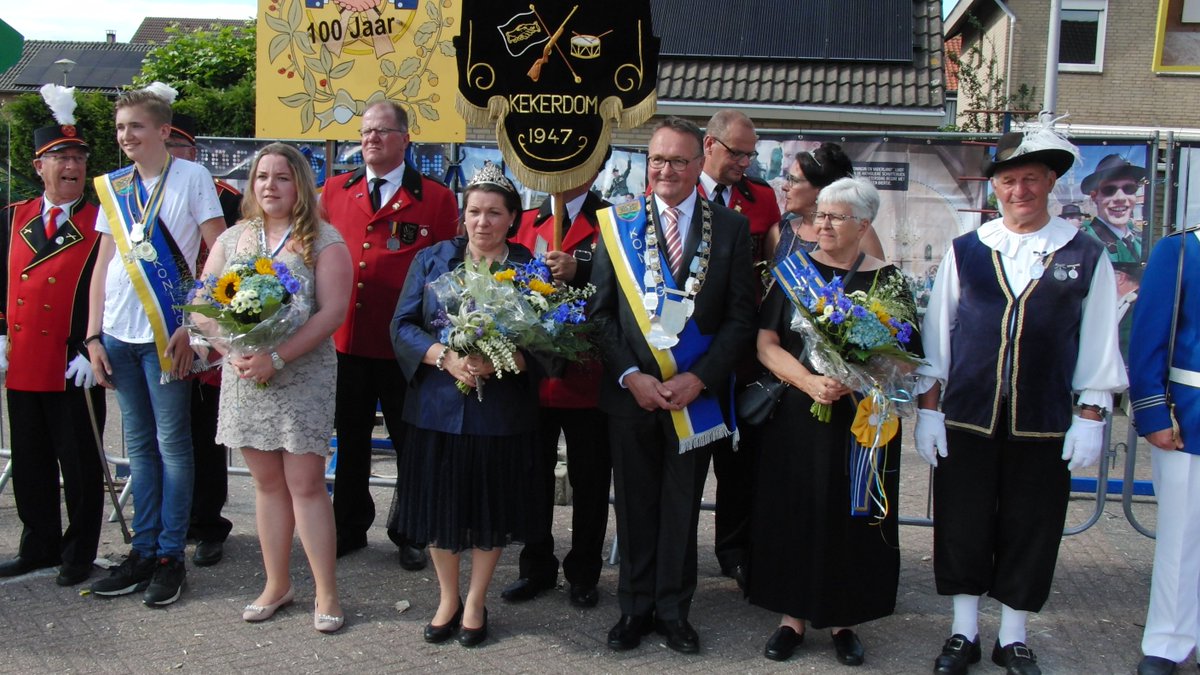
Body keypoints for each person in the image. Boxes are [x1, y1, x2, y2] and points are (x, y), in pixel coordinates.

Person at [914, 127, 1127, 675]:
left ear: (1051, 183)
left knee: (1031, 526)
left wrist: (1091, 415)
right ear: (996, 188)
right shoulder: (969, 251)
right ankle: (964, 632)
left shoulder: (1084, 253)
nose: (1019, 190)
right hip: (968, 416)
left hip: (1045, 419)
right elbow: (938, 337)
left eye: (1030, 179)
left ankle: (1013, 635)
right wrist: (929, 410)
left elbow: (1099, 340)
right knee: (963, 522)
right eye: (1009, 180)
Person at [591, 117, 757, 655]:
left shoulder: (730, 228)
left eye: (678, 161)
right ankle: (634, 609)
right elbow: (600, 317)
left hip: (694, 398)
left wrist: (700, 377)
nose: (665, 170)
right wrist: (630, 375)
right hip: (631, 394)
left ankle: (673, 611)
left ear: (698, 161)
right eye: (657, 159)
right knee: (634, 508)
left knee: (682, 509)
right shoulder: (617, 223)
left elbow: (740, 320)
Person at [748, 177, 919, 666]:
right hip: (801, 413)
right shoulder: (793, 273)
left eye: (835, 216)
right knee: (795, 508)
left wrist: (863, 370)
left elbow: (906, 357)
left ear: (864, 224)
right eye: (820, 214)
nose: (822, 224)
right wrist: (809, 382)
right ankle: (791, 618)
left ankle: (847, 619)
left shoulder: (888, 283)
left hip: (863, 418)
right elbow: (767, 344)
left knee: (855, 514)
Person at [196, 142, 351, 633]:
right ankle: (276, 583)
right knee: (266, 485)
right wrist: (230, 350)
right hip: (245, 375)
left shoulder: (324, 241)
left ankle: (326, 591)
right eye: (262, 176)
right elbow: (202, 304)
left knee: (305, 485)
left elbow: (332, 313)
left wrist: (277, 356)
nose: (270, 186)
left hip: (301, 375)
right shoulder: (235, 237)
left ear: (300, 185)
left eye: (282, 177)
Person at [389, 162, 542, 648]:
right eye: (474, 211)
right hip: (437, 408)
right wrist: (443, 356)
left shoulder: (527, 269)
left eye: (495, 212)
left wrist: (509, 358)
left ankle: (476, 599)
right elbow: (403, 325)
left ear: (513, 218)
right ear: (463, 215)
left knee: (489, 507)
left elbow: (550, 340)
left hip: (501, 413)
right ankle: (448, 597)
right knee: (441, 506)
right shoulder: (434, 260)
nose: (483, 222)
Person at [86, 84, 226, 607]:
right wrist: (93, 334)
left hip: (169, 335)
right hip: (120, 335)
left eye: (136, 127)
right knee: (138, 449)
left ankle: (171, 554)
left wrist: (194, 322)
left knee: (173, 446)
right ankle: (141, 550)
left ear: (163, 131)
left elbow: (220, 252)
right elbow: (102, 265)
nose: (126, 136)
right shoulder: (115, 186)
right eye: (121, 128)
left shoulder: (192, 178)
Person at [321, 100, 458, 568]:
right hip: (348, 341)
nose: (371, 139)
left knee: (410, 443)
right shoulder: (335, 190)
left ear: (405, 139)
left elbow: (445, 276)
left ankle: (411, 530)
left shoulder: (436, 199)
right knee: (351, 438)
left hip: (406, 348)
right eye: (365, 132)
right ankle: (349, 525)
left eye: (382, 131)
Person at [0, 86, 106, 587]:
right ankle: (38, 544)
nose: (72, 166)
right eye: (60, 157)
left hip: (72, 364)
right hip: (23, 360)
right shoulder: (13, 216)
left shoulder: (101, 222)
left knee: (81, 467)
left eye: (79, 157)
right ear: (39, 165)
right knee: (30, 463)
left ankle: (79, 551)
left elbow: (110, 289)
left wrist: (93, 342)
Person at [500, 155, 612, 607]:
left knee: (589, 482)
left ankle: (584, 571)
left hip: (589, 377)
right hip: (533, 380)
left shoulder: (613, 222)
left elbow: (627, 289)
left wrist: (581, 271)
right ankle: (536, 566)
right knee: (532, 478)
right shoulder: (526, 220)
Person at [698, 111, 780, 589]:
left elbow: (771, 273)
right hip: (685, 355)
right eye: (737, 153)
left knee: (740, 463)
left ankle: (735, 551)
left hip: (744, 356)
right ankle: (672, 552)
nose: (745, 163)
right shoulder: (672, 195)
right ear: (709, 145)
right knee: (684, 461)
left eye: (751, 153)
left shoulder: (762, 200)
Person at [166, 112, 242, 567]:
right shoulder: (144, 198)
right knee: (167, 434)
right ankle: (170, 521)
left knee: (206, 433)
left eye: (178, 149)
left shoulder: (228, 200)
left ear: (194, 154)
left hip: (212, 330)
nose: (172, 158)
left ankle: (209, 523)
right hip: (159, 329)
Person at [1128, 224, 1200, 675]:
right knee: (1180, 536)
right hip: (1191, 414)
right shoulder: (1181, 249)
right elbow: (1149, 334)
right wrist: (1153, 412)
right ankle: (1169, 640)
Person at [765, 143, 882, 262]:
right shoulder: (779, 232)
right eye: (787, 178)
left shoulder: (858, 232)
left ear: (822, 189)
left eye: (793, 180)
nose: (785, 187)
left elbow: (880, 278)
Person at [1081, 154, 1147, 264]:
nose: (1120, 198)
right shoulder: (1083, 245)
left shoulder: (1142, 244)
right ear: (1094, 196)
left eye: (1129, 189)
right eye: (1109, 190)